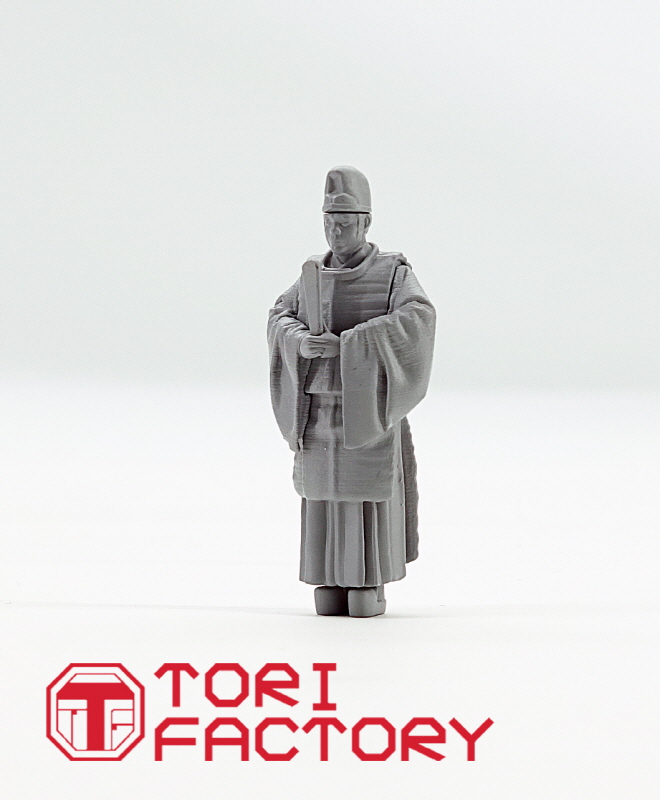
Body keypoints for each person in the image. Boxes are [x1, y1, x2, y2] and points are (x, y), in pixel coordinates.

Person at [268, 166, 435, 617]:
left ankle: (368, 580)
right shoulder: (312, 275)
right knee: (323, 494)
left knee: (365, 495)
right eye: (329, 222)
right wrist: (299, 342)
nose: (336, 232)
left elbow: (417, 318)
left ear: (366, 222)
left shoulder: (391, 273)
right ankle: (327, 575)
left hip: (366, 408)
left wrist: (348, 345)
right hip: (318, 409)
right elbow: (280, 316)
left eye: (344, 223)